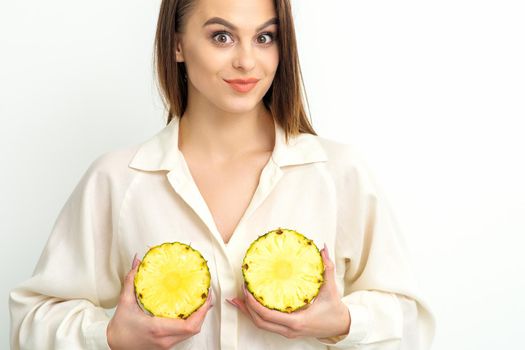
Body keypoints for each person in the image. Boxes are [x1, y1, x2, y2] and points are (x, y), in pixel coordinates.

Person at [9, 0, 435, 349]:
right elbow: (31, 321)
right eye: (221, 36)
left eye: (265, 37)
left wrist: (343, 320)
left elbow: (412, 323)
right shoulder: (117, 180)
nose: (247, 60)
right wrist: (110, 336)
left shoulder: (339, 174)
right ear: (177, 46)